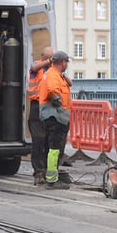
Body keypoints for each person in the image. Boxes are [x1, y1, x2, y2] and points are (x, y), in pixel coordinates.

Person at [39, 50, 73, 190]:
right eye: (66, 62)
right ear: (62, 62)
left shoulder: (57, 75)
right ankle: (52, 180)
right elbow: (53, 92)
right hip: (55, 116)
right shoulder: (53, 75)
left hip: (55, 116)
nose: (67, 64)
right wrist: (60, 108)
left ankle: (51, 175)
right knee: (55, 148)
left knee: (52, 147)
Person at [26, 46, 54, 186]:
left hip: (49, 106)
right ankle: (38, 171)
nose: (51, 60)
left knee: (49, 140)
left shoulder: (52, 70)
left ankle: (49, 171)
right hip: (37, 106)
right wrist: (49, 61)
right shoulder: (35, 65)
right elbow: (36, 67)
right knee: (38, 140)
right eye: (49, 57)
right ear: (43, 56)